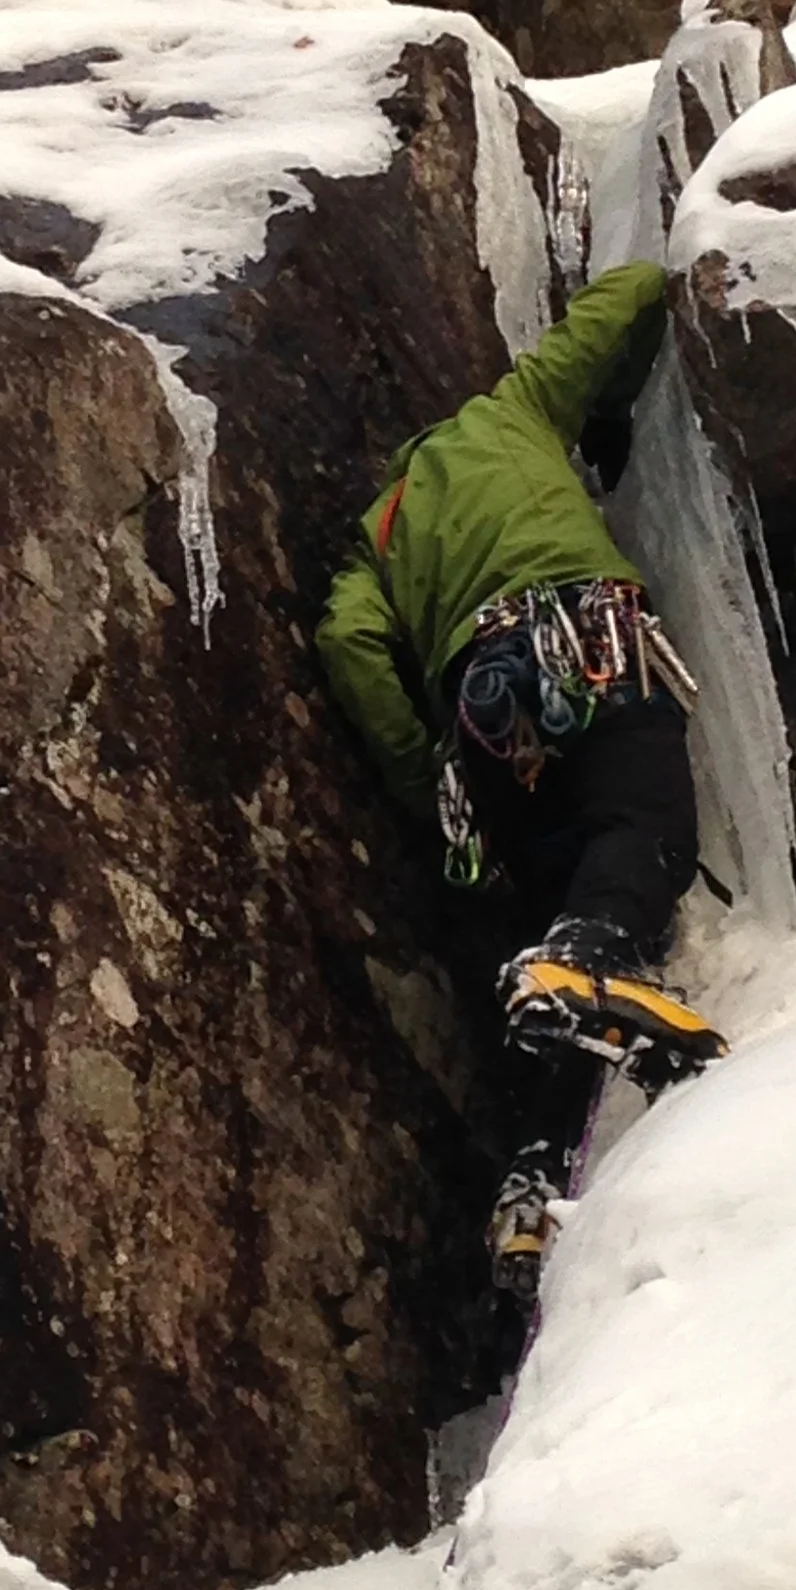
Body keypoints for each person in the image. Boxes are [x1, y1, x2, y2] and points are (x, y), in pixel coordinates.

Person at [317, 259, 726, 1303]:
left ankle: (536, 1189)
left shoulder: (378, 545)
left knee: (575, 927)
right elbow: (636, 289)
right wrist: (608, 419)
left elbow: (352, 646)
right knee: (645, 831)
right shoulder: (511, 413)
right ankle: (582, 961)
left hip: (482, 722)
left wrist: (431, 791)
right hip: (575, 635)